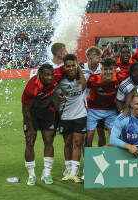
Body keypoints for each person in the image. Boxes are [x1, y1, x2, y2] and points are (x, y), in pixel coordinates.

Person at [21, 64, 67, 186]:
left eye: (51, 74)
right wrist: (30, 129)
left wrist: (80, 68)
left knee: (49, 139)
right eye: (47, 75)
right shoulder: (31, 89)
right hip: (32, 112)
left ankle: (47, 173)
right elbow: (25, 109)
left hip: (47, 110)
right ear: (39, 75)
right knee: (30, 140)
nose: (50, 77)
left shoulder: (56, 75)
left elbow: (67, 65)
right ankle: (31, 176)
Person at [56, 54, 87, 183]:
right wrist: (57, 96)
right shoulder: (60, 80)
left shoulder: (83, 76)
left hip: (81, 114)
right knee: (67, 143)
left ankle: (75, 173)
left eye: (73, 65)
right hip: (65, 115)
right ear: (64, 67)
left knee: (77, 143)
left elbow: (85, 84)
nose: (71, 68)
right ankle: (68, 170)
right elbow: (53, 91)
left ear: (77, 65)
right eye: (68, 66)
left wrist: (79, 70)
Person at [84, 57, 124, 149]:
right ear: (101, 69)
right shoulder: (93, 79)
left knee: (115, 137)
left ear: (114, 69)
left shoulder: (119, 78)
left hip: (110, 111)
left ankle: (111, 158)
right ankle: (87, 161)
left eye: (110, 69)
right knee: (89, 137)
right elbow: (82, 87)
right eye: (105, 69)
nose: (108, 72)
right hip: (93, 110)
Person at [81, 46, 107, 147]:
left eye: (100, 57)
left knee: (101, 132)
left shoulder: (102, 68)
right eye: (98, 58)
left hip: (100, 104)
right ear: (90, 58)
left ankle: (102, 154)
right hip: (85, 105)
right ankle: (88, 159)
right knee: (88, 134)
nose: (100, 60)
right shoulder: (81, 68)